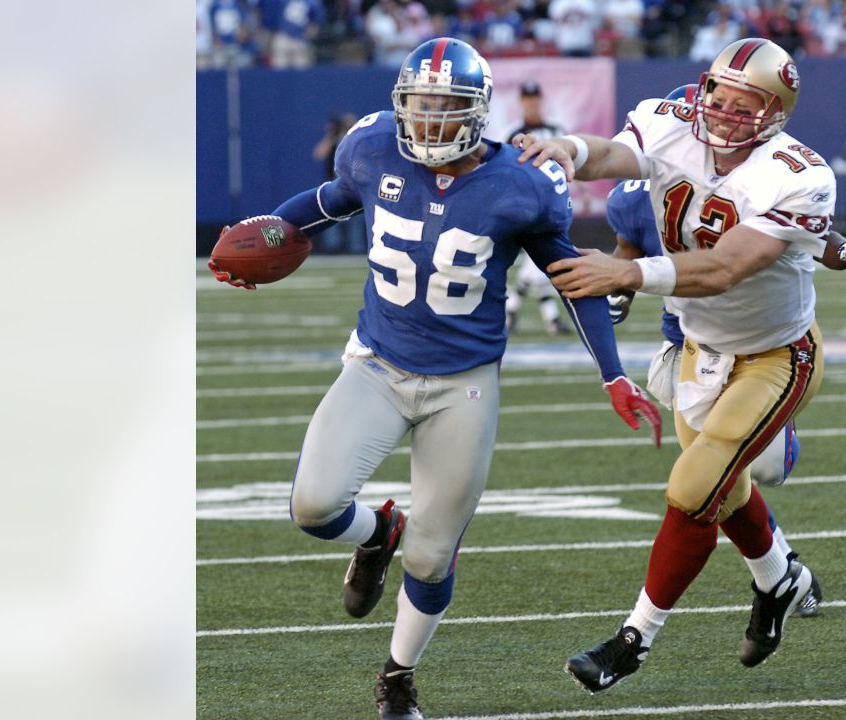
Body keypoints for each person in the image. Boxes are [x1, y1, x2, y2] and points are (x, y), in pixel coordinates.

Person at [209, 38, 661, 720]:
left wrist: (613, 375)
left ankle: (398, 678)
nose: (427, 122)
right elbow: (331, 200)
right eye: (418, 106)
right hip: (378, 362)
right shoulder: (372, 148)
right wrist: (269, 230)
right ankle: (374, 535)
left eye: (444, 108)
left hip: (463, 384)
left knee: (431, 557)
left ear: (477, 113)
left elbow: (572, 280)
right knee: (312, 506)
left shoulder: (524, 186)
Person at [513, 39, 846, 691]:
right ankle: (781, 580)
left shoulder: (799, 174)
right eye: (717, 93)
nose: (721, 111)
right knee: (726, 491)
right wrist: (570, 150)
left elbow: (725, 267)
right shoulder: (672, 118)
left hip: (777, 353)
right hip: (700, 346)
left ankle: (633, 640)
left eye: (741, 102)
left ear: (774, 111)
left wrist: (628, 273)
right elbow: (616, 153)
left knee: (694, 489)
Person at [504, 81, 570, 336]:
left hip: (553, 203)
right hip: (524, 204)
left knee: (540, 262)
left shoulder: (556, 129)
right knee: (543, 261)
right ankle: (545, 317)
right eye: (527, 99)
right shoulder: (513, 131)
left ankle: (515, 310)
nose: (532, 103)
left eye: (535, 99)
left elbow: (570, 162)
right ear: (522, 102)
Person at [311, 112, 367, 253]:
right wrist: (331, 135)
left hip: (355, 183)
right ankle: (333, 247)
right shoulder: (334, 140)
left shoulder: (357, 139)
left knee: (356, 218)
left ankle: (356, 248)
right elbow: (319, 154)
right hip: (335, 182)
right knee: (332, 215)